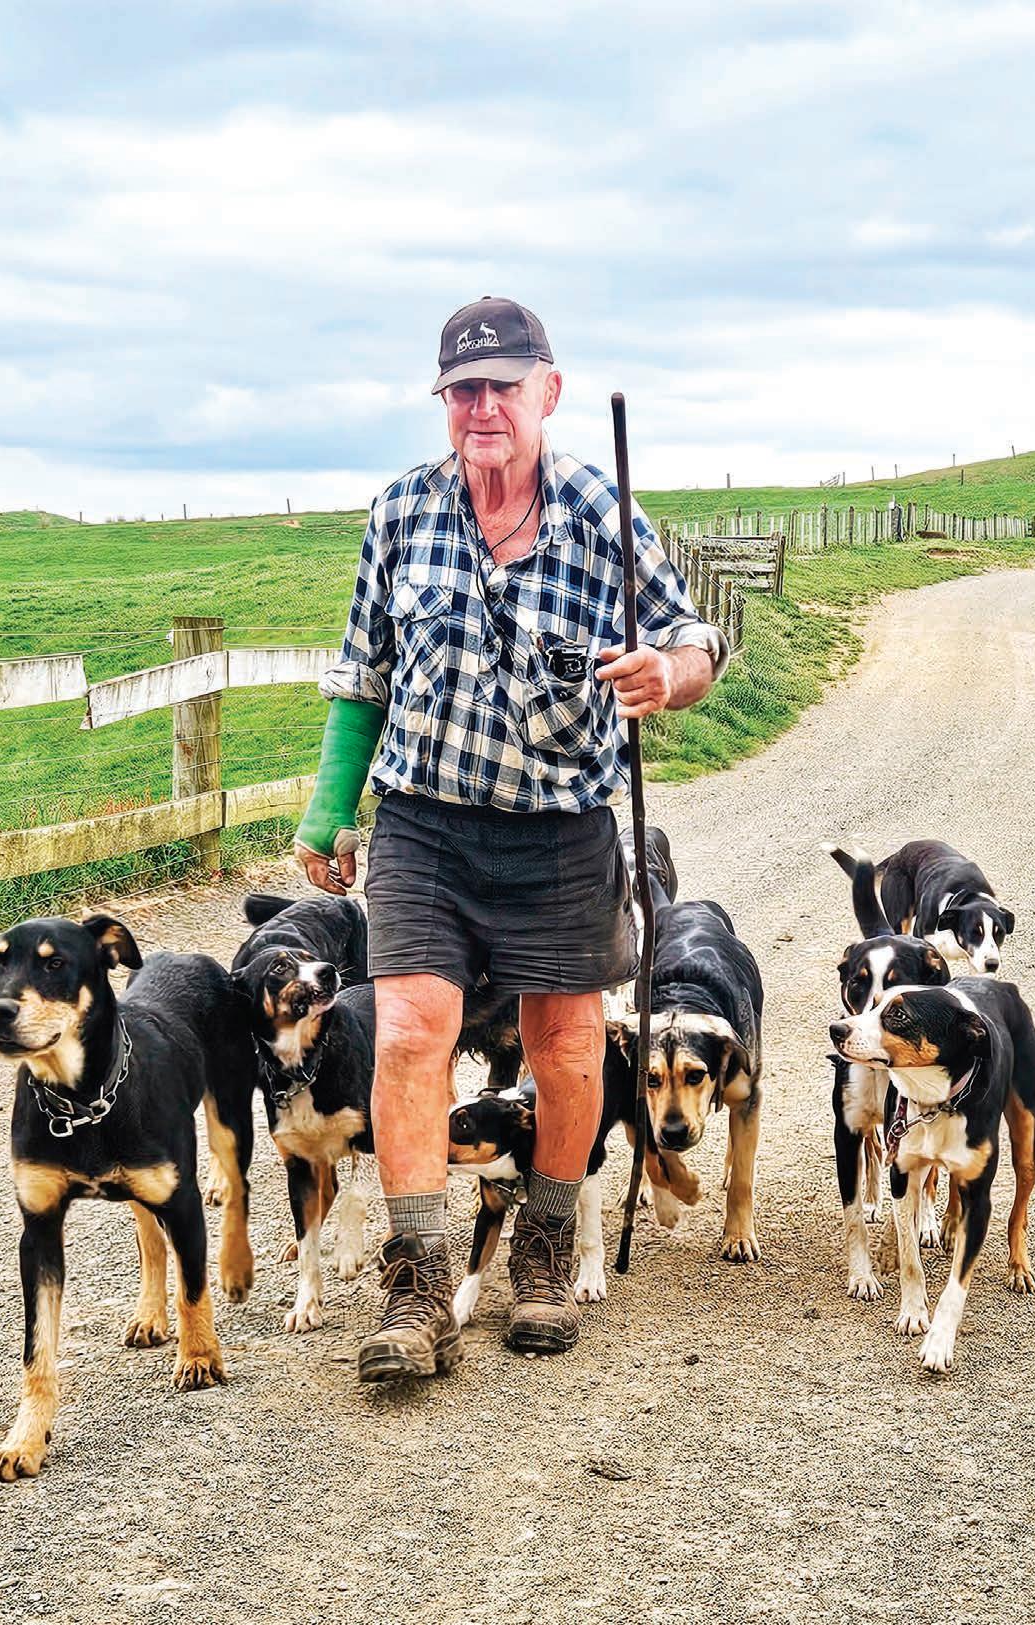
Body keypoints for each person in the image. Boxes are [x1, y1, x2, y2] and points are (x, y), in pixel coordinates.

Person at [294, 296, 727, 1382]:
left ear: (548, 391)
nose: (482, 407)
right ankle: (417, 1282)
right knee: (410, 1034)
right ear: (444, 402)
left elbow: (695, 640)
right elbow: (362, 675)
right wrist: (329, 810)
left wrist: (666, 675)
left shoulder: (599, 512)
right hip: (424, 823)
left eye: (502, 386)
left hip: (560, 829)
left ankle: (543, 1246)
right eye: (462, 391)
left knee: (566, 1044)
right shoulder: (402, 511)